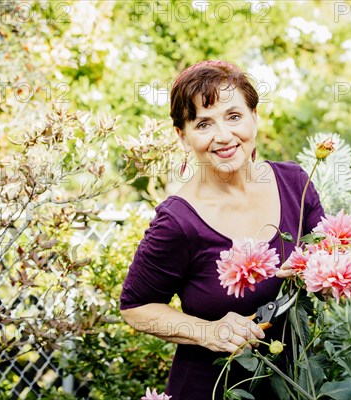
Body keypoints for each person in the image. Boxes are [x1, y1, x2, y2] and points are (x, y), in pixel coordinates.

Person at [120, 60, 325, 399]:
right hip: (212, 388)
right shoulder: (178, 221)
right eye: (203, 124)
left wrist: (328, 275)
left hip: (298, 382)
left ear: (254, 117)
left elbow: (328, 255)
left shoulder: (294, 184)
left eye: (234, 116)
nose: (224, 136)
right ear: (183, 136)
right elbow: (136, 307)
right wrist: (208, 332)